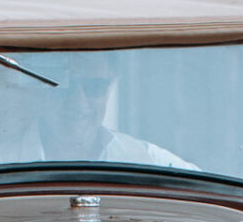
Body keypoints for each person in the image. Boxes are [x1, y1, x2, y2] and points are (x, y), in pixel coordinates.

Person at [38, 71, 193, 169]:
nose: (78, 102)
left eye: (94, 87)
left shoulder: (151, 161)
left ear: (109, 91)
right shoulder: (20, 158)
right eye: (65, 87)